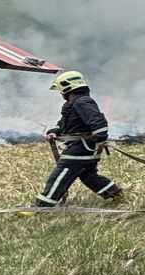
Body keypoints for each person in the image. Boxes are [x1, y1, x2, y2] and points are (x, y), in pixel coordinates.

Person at [36, 70, 124, 207]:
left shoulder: (82, 102)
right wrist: (55, 131)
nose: (61, 94)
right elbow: (69, 125)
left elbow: (98, 121)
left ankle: (42, 206)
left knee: (61, 174)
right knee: (88, 176)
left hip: (82, 148)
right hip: (85, 147)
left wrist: (99, 137)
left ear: (68, 87)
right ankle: (114, 194)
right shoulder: (76, 103)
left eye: (61, 90)